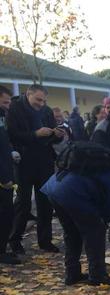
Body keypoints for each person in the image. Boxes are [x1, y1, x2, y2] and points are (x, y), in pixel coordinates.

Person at [41, 170, 110, 285]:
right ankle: (98, 275)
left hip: (55, 188)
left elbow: (102, 201)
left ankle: (72, 274)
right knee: (96, 233)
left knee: (72, 233)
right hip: (72, 193)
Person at [7, 84, 63, 254]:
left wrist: (57, 135)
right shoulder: (14, 108)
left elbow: (52, 135)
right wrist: (35, 134)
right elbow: (12, 135)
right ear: (28, 94)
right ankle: (15, 239)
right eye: (38, 100)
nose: (41, 103)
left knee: (45, 202)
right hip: (23, 162)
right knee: (23, 203)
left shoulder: (46, 111)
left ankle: (45, 241)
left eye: (44, 101)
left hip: (44, 160)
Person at [0, 86, 20, 265]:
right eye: (5, 102)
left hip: (6, 172)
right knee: (4, 215)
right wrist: (4, 178)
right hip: (2, 180)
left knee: (7, 214)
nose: (8, 106)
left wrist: (11, 151)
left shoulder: (2, 117)